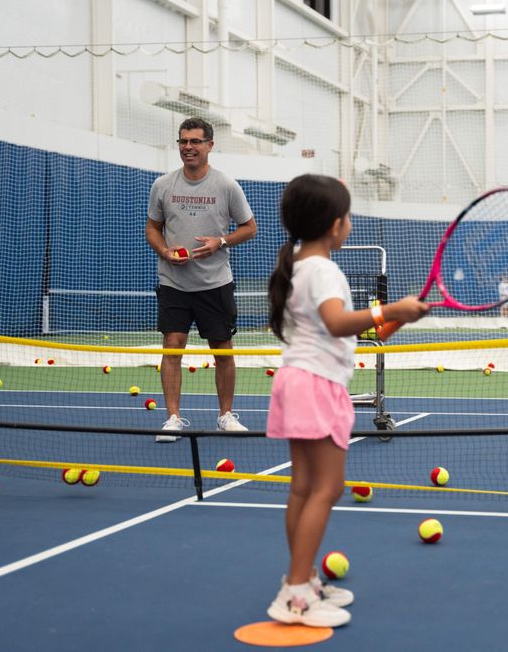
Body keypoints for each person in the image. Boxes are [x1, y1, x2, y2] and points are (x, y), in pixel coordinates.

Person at [265, 174, 429, 627]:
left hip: (297, 382)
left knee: (302, 488)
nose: (351, 223)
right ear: (335, 224)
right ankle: (296, 595)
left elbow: (353, 333)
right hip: (317, 387)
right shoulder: (323, 270)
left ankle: (300, 580)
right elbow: (339, 324)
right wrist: (392, 308)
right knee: (327, 488)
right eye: (349, 216)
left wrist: (398, 318)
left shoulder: (298, 264)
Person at [146, 117, 258, 441]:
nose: (188, 147)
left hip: (215, 283)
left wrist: (220, 242)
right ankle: (173, 419)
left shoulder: (226, 186)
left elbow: (250, 228)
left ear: (210, 145)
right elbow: (152, 227)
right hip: (173, 283)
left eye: (195, 141)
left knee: (222, 349)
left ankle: (226, 416)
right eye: (183, 141)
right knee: (172, 347)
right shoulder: (163, 186)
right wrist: (165, 251)